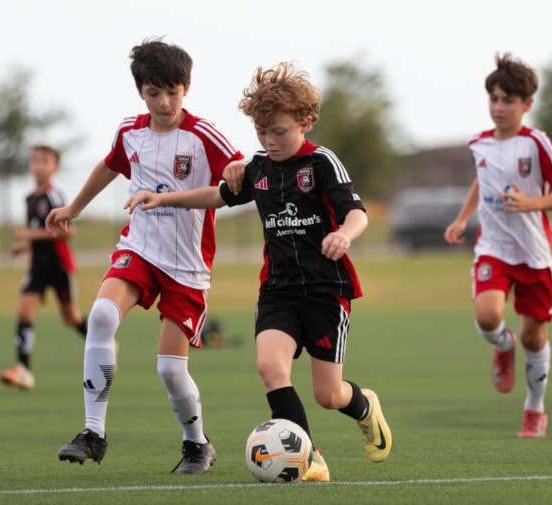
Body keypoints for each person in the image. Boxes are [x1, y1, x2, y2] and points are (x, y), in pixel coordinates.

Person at [124, 61, 392, 482]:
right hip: (278, 291)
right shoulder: (259, 168)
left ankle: (363, 405)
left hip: (326, 290)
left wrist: (345, 235)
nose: (269, 141)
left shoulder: (321, 162)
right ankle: (309, 457)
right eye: (261, 133)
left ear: (305, 122)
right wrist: (167, 199)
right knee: (270, 368)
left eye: (278, 132)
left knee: (328, 394)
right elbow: (218, 195)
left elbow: (356, 212)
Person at [45, 37, 243, 474]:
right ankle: (93, 433)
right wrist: (74, 208)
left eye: (173, 91)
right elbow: (109, 164)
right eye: (155, 93)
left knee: (170, 371)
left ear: (186, 87)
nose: (165, 101)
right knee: (99, 317)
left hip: (187, 267)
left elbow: (232, 186)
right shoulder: (129, 131)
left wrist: (230, 171)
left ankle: (197, 444)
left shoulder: (202, 134)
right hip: (139, 250)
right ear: (141, 92)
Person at [444, 53, 552, 438]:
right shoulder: (478, 143)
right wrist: (463, 218)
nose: (499, 108)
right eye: (494, 99)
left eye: (508, 101)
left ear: (527, 104)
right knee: (487, 316)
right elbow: (480, 182)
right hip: (494, 247)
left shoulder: (537, 143)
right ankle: (503, 344)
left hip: (533, 252)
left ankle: (534, 409)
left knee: (535, 336)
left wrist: (532, 203)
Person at [0, 145, 88, 391]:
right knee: (24, 313)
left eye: (45, 161)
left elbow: (66, 231)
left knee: (71, 318)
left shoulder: (54, 196)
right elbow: (43, 234)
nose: (38, 165)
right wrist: (26, 247)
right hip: (37, 267)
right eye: (35, 160)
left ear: (54, 168)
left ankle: (104, 343)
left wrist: (29, 234)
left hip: (60, 266)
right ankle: (23, 370)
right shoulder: (30, 198)